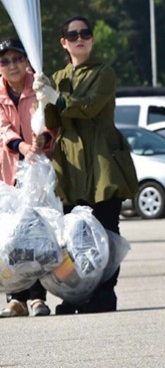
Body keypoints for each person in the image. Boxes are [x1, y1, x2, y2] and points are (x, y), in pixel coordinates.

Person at [35, 16, 138, 314]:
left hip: (101, 158)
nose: (80, 38)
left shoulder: (104, 72)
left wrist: (59, 99)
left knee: (106, 230)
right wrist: (44, 102)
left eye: (86, 33)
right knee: (72, 235)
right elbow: (55, 121)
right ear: (63, 42)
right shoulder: (56, 76)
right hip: (70, 163)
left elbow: (90, 107)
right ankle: (76, 294)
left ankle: (105, 294)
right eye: (73, 34)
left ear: (92, 40)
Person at [0, 39, 53, 317]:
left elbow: (52, 120)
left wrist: (42, 139)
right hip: (8, 173)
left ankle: (37, 296)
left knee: (37, 236)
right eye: (5, 61)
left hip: (38, 173)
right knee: (11, 237)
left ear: (26, 61)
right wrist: (22, 146)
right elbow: (2, 128)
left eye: (17, 59)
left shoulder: (40, 85)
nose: (12, 66)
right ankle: (15, 297)